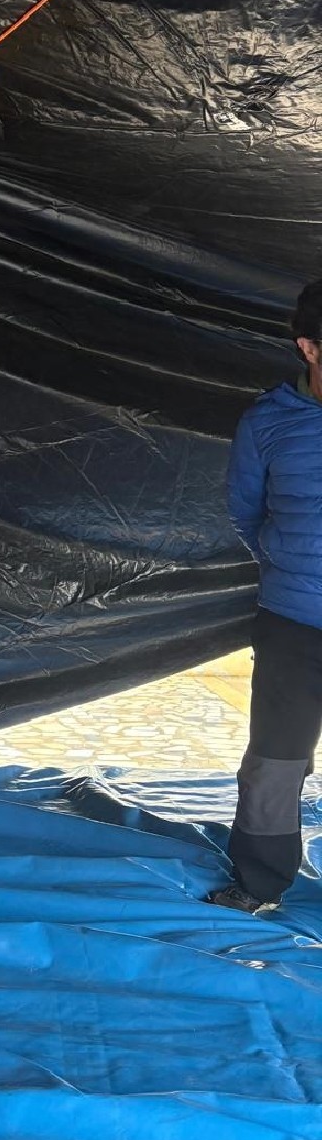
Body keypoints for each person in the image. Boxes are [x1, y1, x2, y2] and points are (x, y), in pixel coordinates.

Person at [211, 278, 322, 914]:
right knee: (276, 759)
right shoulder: (268, 422)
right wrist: (294, 567)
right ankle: (258, 883)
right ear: (310, 348)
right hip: (294, 622)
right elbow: (245, 512)